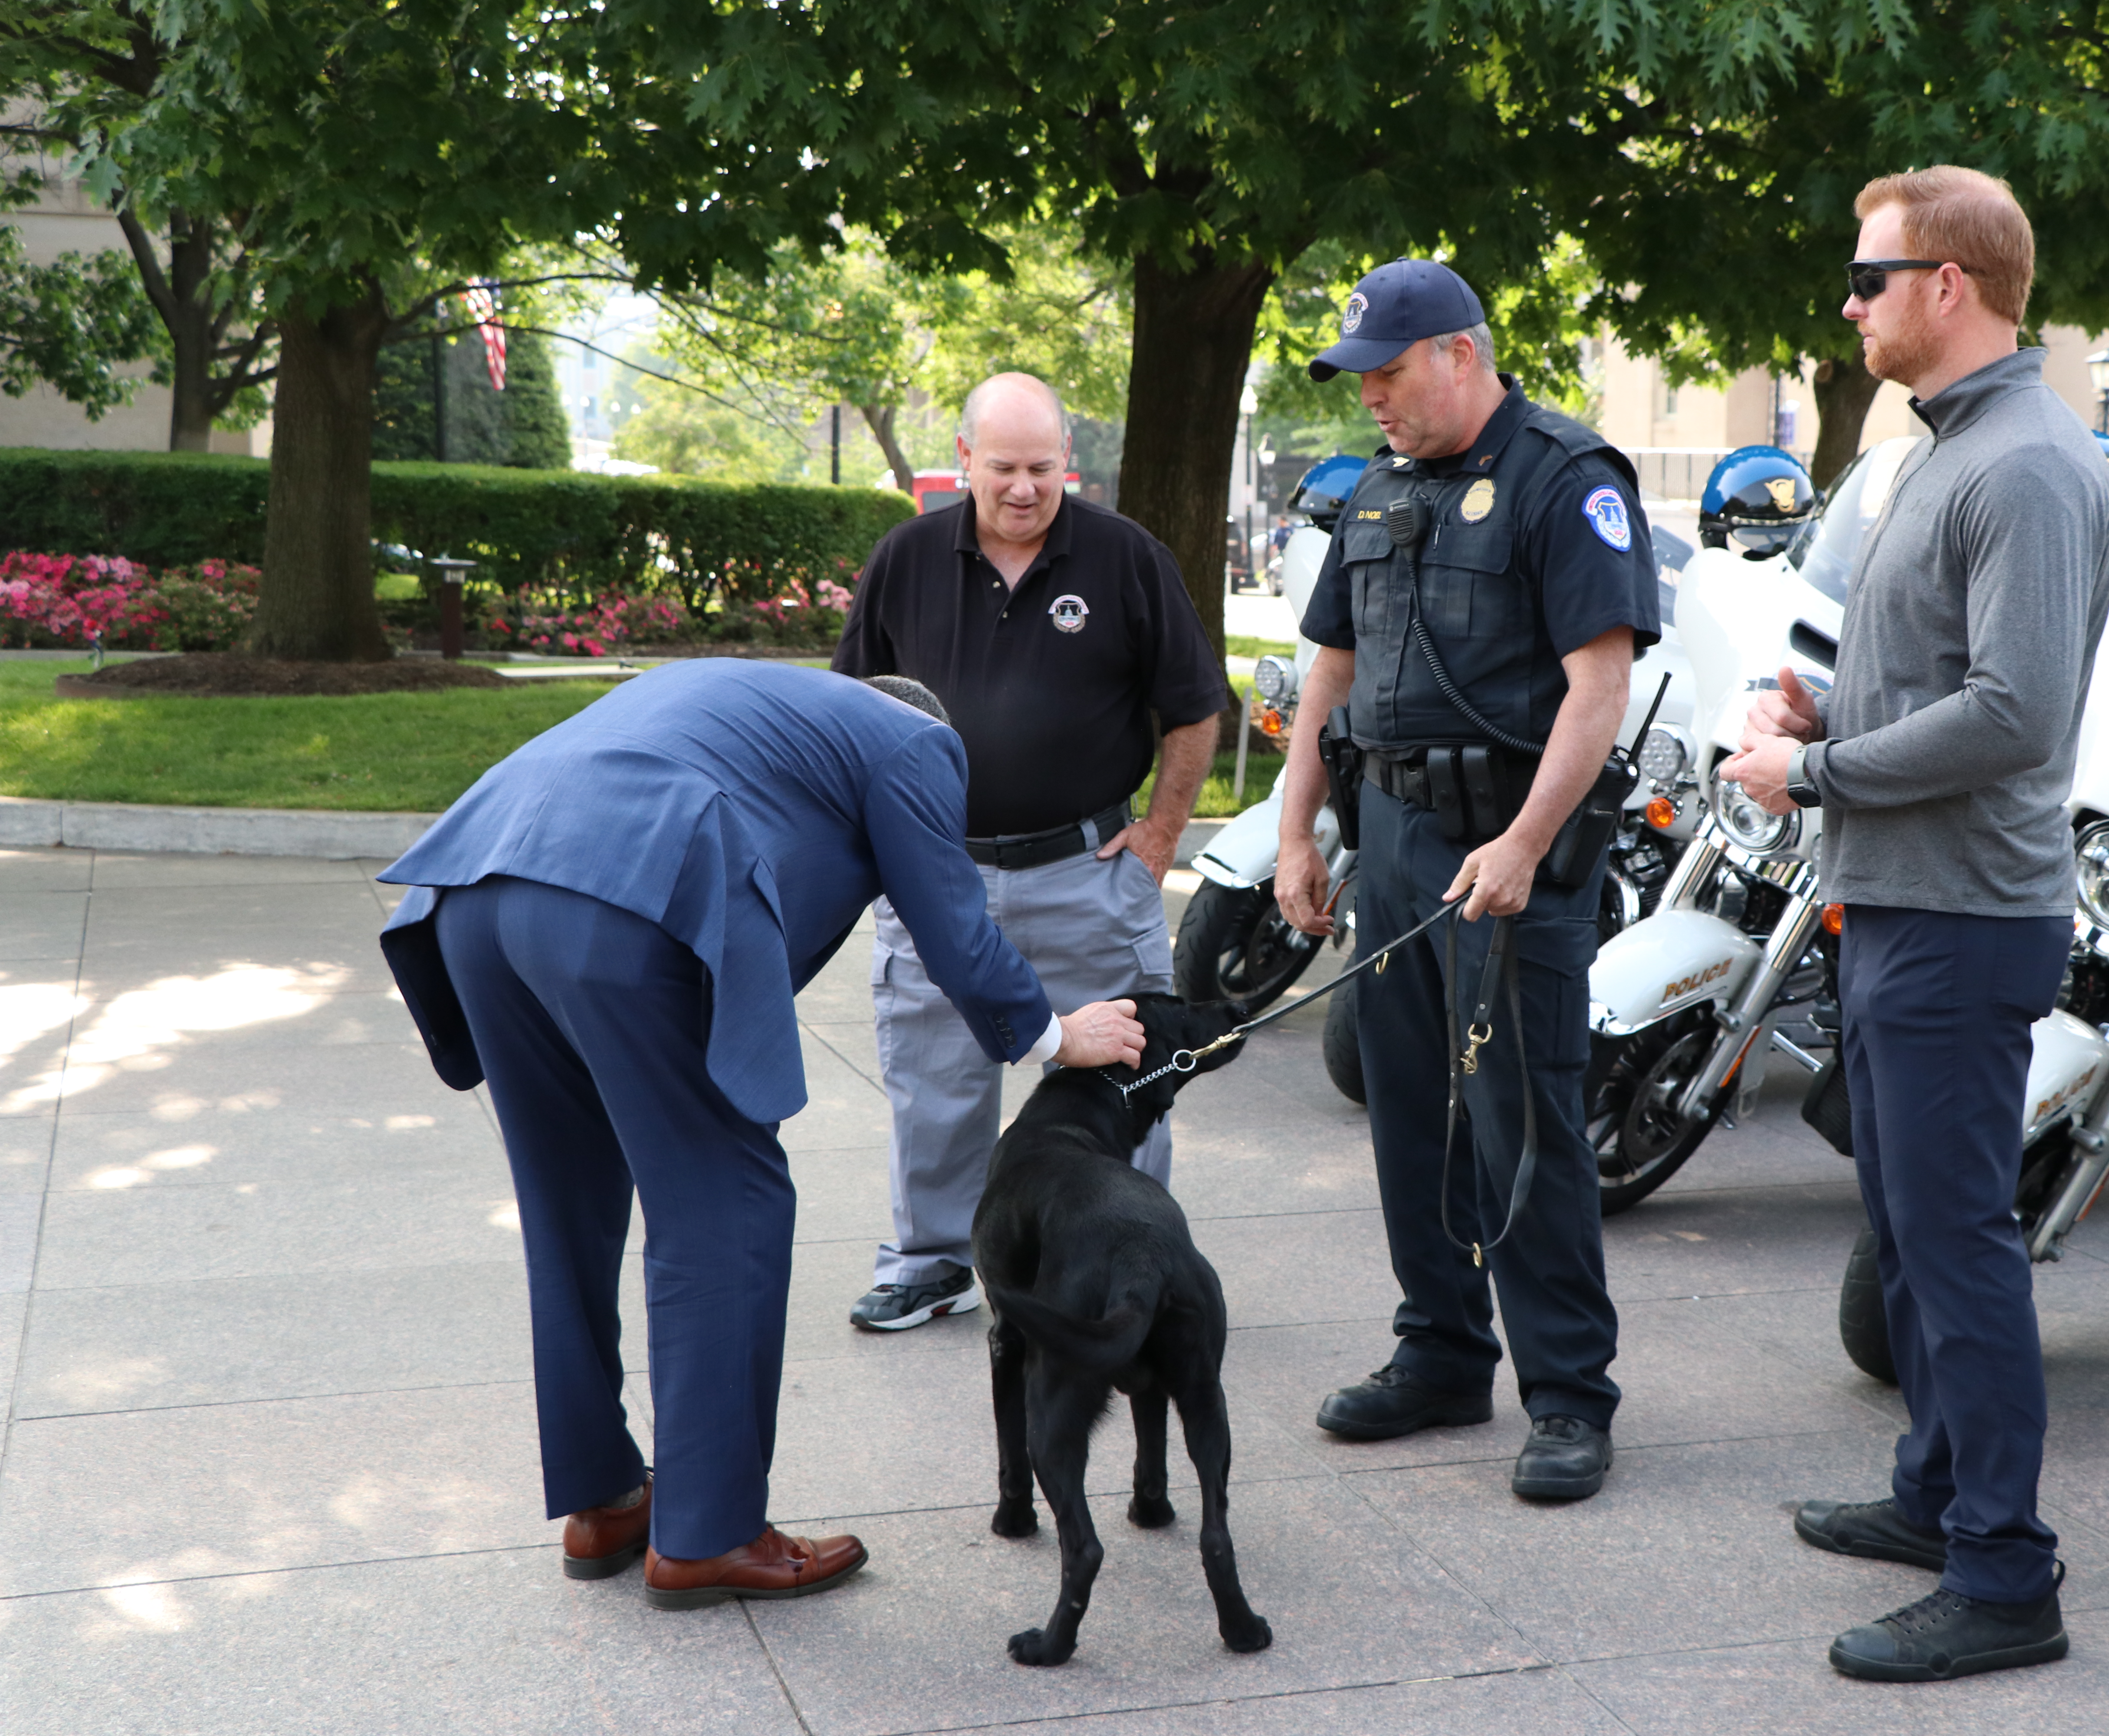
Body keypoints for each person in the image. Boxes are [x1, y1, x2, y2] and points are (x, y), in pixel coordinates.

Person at [377, 661, 1146, 1606]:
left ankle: (603, 1499)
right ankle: (709, 1530)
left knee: (565, 1206)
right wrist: (1060, 1033)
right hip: (620, 900)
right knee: (727, 1199)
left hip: (477, 888)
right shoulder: (913, 740)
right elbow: (951, 920)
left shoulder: (751, 703)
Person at [1720, 166, 2109, 1681]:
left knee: (1956, 1251)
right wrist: (1835, 711)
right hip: (1901, 900)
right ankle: (1937, 1500)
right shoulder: (1948, 449)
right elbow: (1955, 683)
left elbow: (2017, 715)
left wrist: (1810, 768)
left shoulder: (2021, 463)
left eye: (1869, 278)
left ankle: (2007, 1576)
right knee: (1907, 1233)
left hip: (1960, 918)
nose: (1849, 302)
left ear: (1949, 285)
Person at [1273, 259, 1657, 1501]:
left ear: (1459, 353)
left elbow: (1600, 683)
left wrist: (1530, 845)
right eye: (1360, 380)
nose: (1371, 400)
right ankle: (1440, 1351)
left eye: (1387, 374)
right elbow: (1326, 672)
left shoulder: (1565, 476)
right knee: (1403, 1106)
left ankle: (1567, 1396)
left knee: (1521, 1122)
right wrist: (1296, 837)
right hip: (1390, 838)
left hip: (1507, 847)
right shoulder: (1381, 491)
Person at [831, 372, 1229, 1331]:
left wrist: (1162, 834)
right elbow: (847, 714)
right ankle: (932, 1261)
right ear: (963, 460)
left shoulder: (1127, 558)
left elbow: (1194, 706)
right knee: (935, 1079)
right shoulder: (907, 558)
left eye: (1043, 468)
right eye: (1003, 466)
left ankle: (1126, 1257)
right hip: (939, 877)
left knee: (1119, 1075)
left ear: (1070, 467)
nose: (1023, 487)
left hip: (1088, 872)